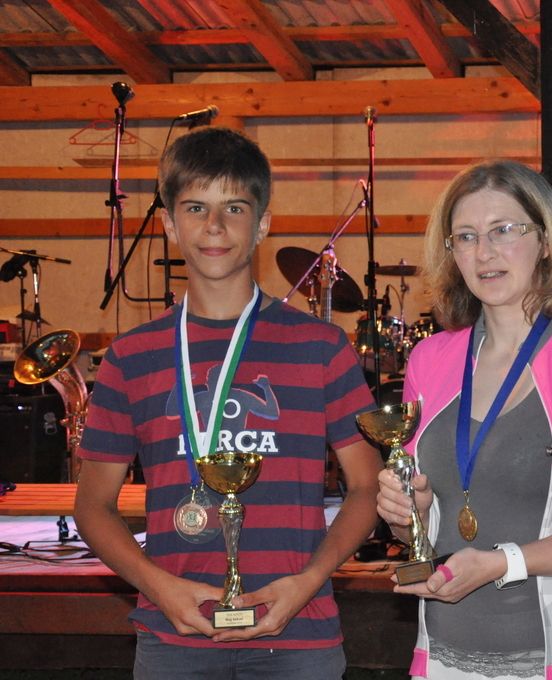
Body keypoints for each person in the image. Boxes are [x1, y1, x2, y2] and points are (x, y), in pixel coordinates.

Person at [74, 127, 382, 679]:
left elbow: (366, 486)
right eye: (196, 207)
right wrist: (158, 586)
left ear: (262, 223)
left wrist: (310, 581)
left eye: (234, 208)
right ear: (170, 224)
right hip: (173, 640)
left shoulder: (321, 348)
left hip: (299, 633)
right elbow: (93, 505)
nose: (214, 226)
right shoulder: (131, 357)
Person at [375, 160, 552, 679]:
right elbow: (421, 520)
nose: (484, 252)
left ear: (546, 240)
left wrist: (503, 562)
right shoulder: (430, 360)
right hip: (441, 658)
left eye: (503, 230)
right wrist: (405, 510)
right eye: (466, 237)